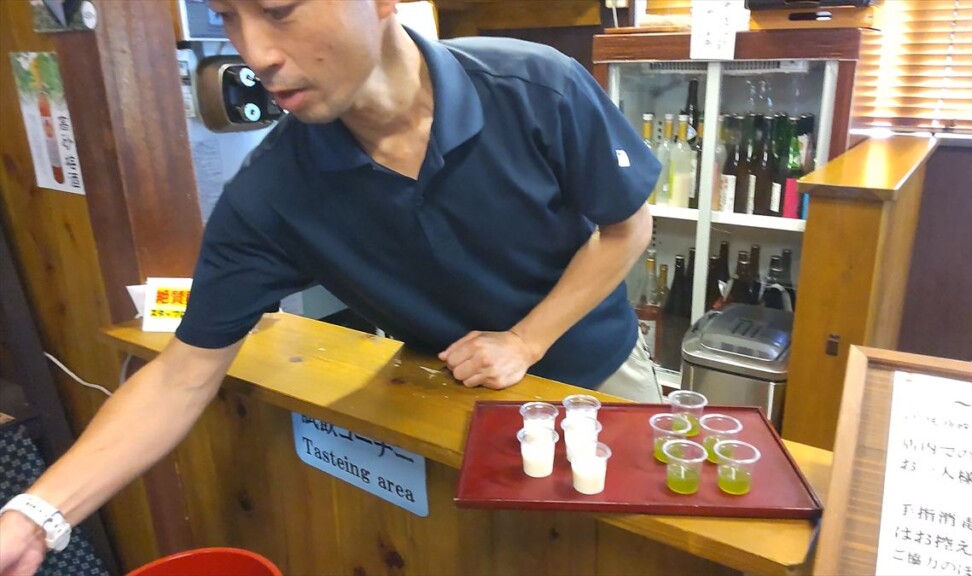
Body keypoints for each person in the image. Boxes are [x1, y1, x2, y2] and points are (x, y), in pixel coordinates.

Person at [0, 1, 661, 573]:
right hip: (451, 401)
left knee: (646, 551)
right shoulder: (272, 193)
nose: (256, 53)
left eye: (279, 10)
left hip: (597, 373)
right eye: (228, 17)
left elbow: (627, 228)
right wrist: (33, 518)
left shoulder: (534, 84)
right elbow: (181, 376)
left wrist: (525, 340)